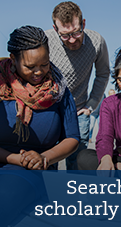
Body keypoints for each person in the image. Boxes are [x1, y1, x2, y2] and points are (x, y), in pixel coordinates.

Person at [0, 25, 80, 226]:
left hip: (34, 172)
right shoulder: (1, 87)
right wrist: (15, 158)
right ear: (13, 58)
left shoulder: (59, 90)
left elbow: (72, 138)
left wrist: (44, 158)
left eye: (44, 64)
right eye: (30, 66)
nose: (39, 72)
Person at [45, 1, 110, 170]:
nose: (72, 40)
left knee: (77, 160)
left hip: (79, 109)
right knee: (47, 157)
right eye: (65, 35)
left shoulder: (97, 41)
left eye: (76, 32)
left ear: (83, 24)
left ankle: (76, 193)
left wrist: (91, 105)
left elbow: (103, 74)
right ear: (55, 29)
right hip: (49, 108)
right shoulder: (45, 41)